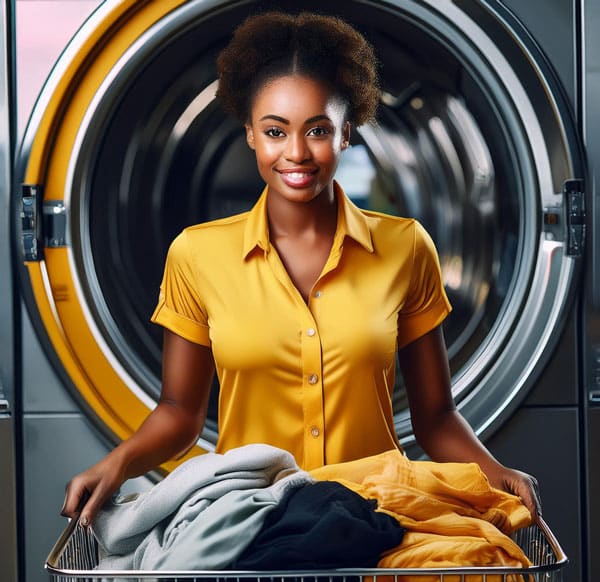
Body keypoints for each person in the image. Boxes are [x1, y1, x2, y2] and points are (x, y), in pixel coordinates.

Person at [61, 11, 541, 527]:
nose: (296, 153)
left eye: (317, 130)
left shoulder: (405, 247)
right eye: (274, 131)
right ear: (250, 134)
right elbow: (180, 413)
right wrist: (118, 464)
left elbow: (435, 416)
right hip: (249, 519)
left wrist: (495, 471)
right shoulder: (196, 256)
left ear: (346, 134)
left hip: (375, 516)